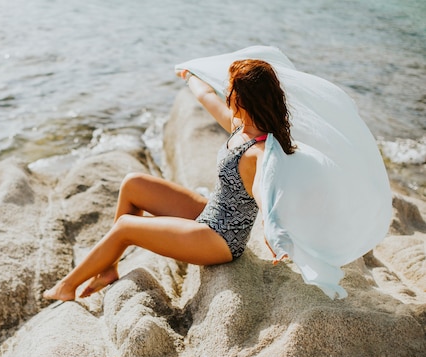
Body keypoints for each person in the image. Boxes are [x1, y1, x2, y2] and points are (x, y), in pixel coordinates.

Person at [43, 59, 295, 301]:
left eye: (231, 90)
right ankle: (108, 269)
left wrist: (273, 233)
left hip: (222, 241)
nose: (226, 92)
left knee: (125, 227)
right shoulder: (240, 125)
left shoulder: (258, 151)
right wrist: (190, 74)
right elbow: (205, 96)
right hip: (211, 212)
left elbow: (264, 192)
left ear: (244, 98)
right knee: (133, 184)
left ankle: (67, 286)